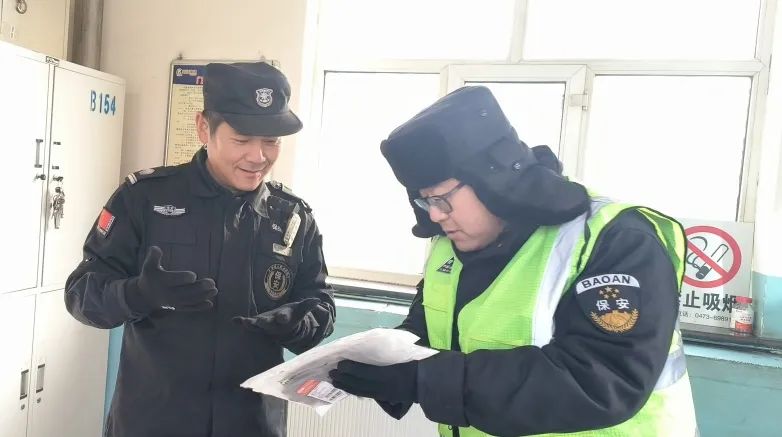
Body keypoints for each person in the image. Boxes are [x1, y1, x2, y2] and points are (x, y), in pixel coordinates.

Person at [329, 86, 698, 436]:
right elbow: (431, 329)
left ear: (491, 179)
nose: (436, 216)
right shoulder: (450, 244)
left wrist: (425, 379)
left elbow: (602, 378)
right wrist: (382, 361)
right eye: (425, 201)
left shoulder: (613, 240)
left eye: (442, 198)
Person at [65, 62, 335, 437]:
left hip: (251, 424)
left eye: (271, 141)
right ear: (204, 128)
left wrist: (298, 324)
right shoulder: (144, 199)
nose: (258, 157)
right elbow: (80, 294)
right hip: (153, 422)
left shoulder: (292, 217)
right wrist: (136, 294)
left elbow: (321, 306)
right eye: (242, 139)